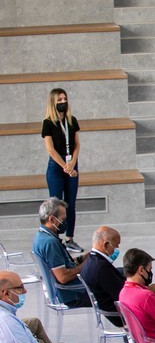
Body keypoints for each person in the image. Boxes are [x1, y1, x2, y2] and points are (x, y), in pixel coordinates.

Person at [40, 88, 82, 252]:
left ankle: (70, 238)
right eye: (59, 100)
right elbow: (50, 149)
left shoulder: (72, 121)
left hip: (72, 166)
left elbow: (77, 145)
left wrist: (72, 165)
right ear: (53, 102)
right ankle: (55, 238)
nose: (63, 102)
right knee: (56, 206)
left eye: (64, 99)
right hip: (56, 168)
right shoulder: (48, 123)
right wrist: (65, 167)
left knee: (70, 204)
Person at [31, 197, 89, 308]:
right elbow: (63, 277)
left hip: (66, 291)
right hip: (72, 295)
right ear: (52, 220)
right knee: (114, 284)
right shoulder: (50, 243)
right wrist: (87, 265)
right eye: (63, 219)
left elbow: (62, 264)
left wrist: (84, 258)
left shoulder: (40, 236)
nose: (65, 222)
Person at [79, 225, 125, 324]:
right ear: (106, 245)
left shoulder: (91, 261)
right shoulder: (101, 267)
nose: (117, 248)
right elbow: (123, 295)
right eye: (116, 245)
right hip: (121, 314)